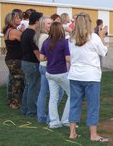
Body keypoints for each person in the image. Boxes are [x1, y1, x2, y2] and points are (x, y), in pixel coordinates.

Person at [68, 12, 108, 142]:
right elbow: (103, 52)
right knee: (93, 105)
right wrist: (102, 37)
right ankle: (93, 135)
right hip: (91, 76)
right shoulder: (94, 37)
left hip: (75, 75)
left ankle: (72, 132)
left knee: (74, 104)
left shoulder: (71, 38)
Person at [40, 22, 71, 128]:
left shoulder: (46, 42)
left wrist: (52, 57)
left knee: (53, 97)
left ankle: (54, 122)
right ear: (60, 30)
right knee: (73, 95)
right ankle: (66, 119)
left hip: (49, 73)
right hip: (60, 73)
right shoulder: (64, 42)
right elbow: (68, 59)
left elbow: (41, 58)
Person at [20, 11, 42, 117]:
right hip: (32, 63)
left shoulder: (25, 32)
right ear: (37, 21)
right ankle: (31, 111)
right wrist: (41, 60)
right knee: (33, 87)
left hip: (25, 61)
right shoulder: (32, 34)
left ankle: (24, 109)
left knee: (28, 86)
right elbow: (36, 51)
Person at [3, 11, 24, 109]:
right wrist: (23, 31)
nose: (19, 19)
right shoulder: (14, 31)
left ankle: (10, 100)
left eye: (19, 18)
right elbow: (25, 40)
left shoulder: (8, 30)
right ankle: (15, 103)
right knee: (18, 80)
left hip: (10, 58)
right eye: (17, 18)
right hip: (15, 59)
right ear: (11, 20)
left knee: (13, 79)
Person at [35, 16, 53, 123]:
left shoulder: (40, 36)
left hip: (43, 65)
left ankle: (41, 116)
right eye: (48, 24)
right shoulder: (45, 37)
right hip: (46, 65)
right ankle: (47, 117)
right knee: (55, 93)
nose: (51, 26)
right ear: (43, 25)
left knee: (43, 91)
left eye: (51, 23)